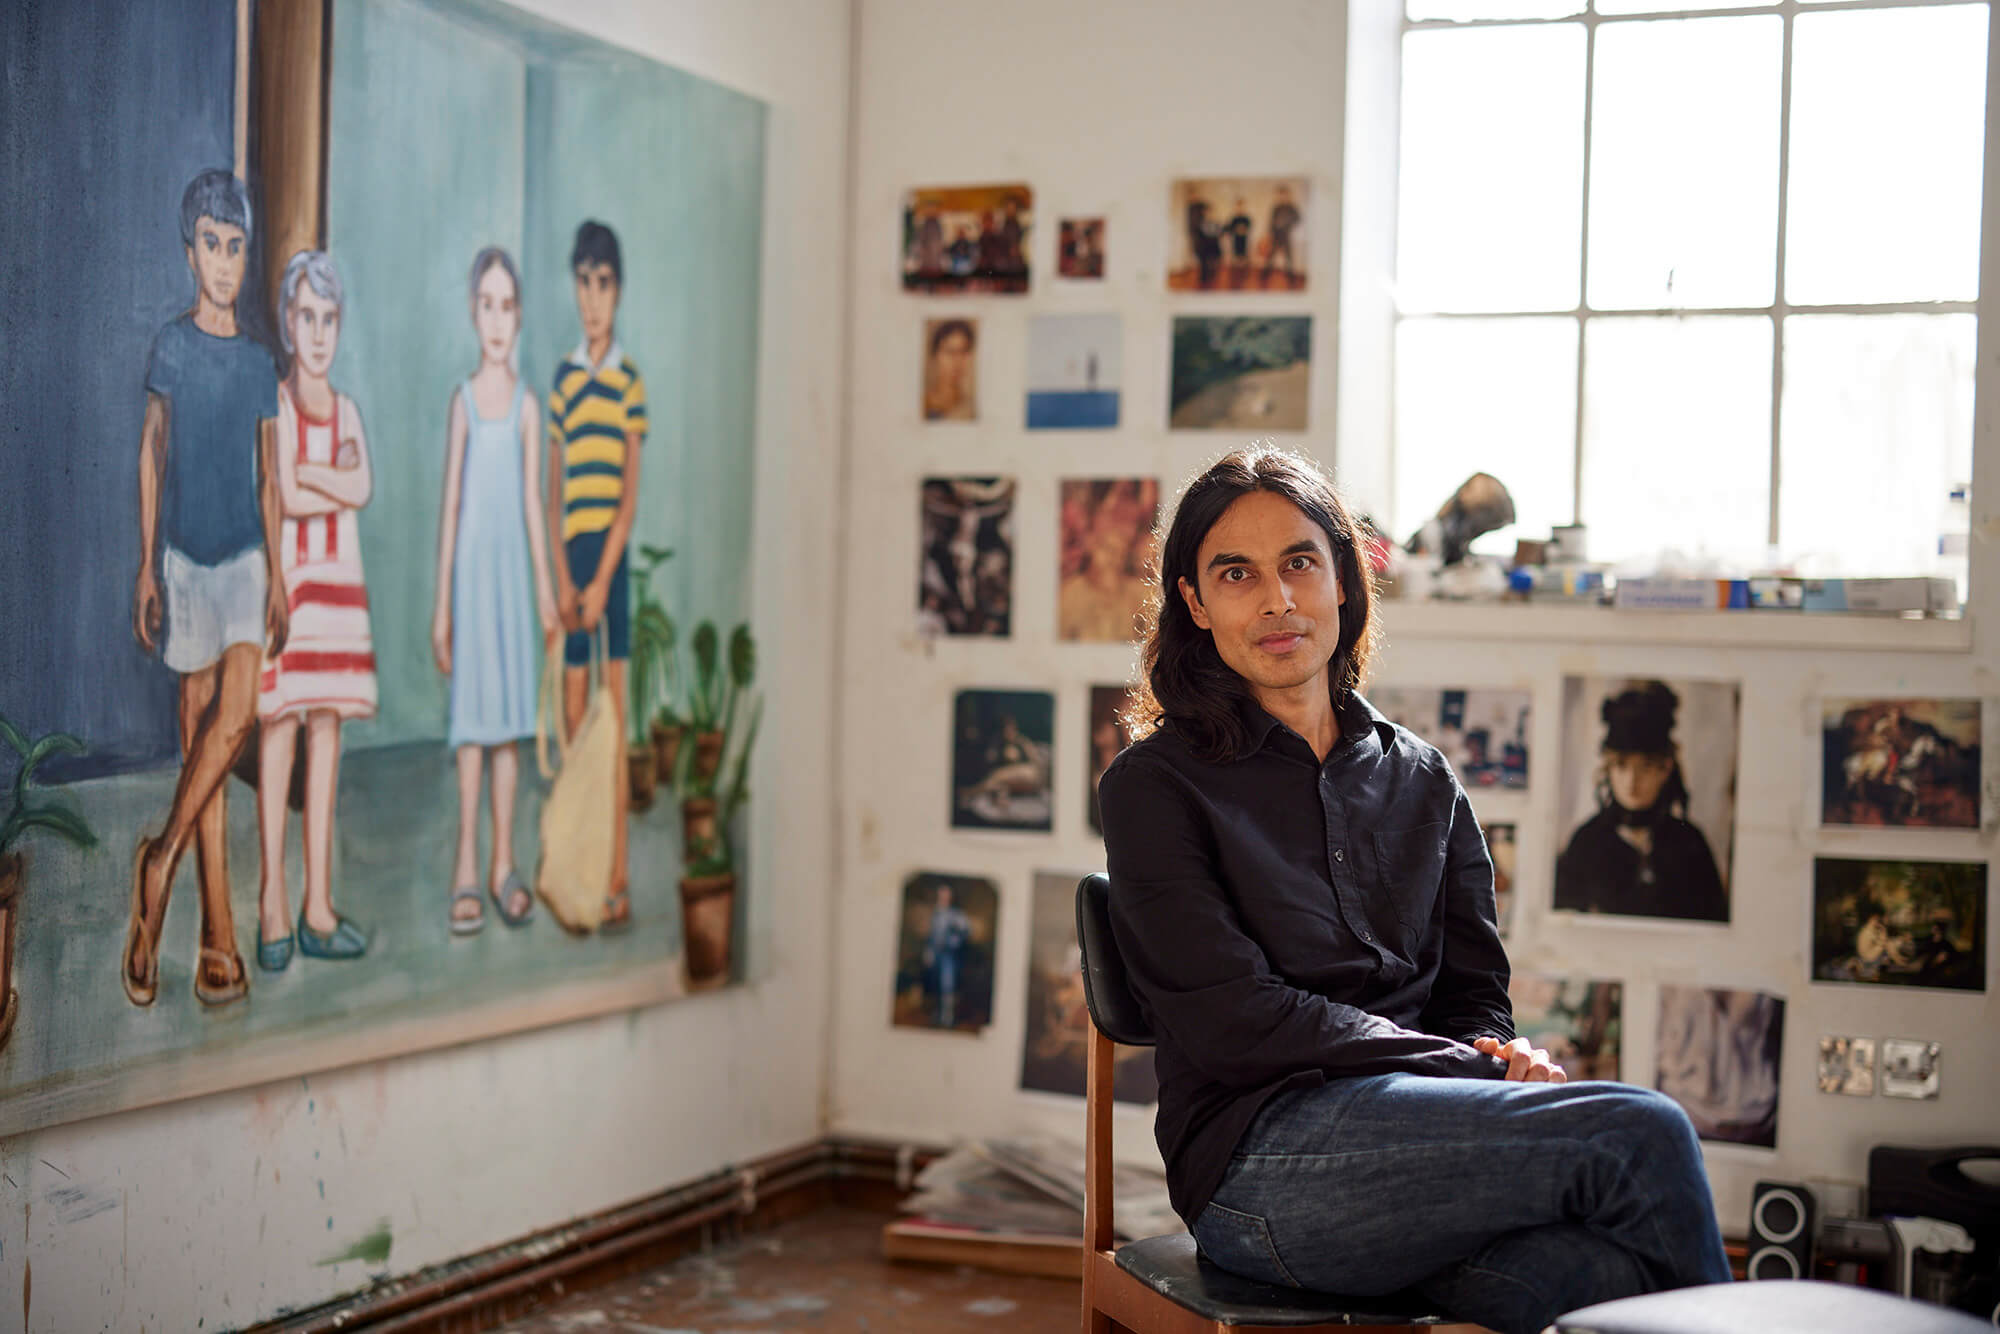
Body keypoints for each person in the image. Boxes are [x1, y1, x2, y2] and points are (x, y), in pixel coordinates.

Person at [1097, 446, 1729, 1334]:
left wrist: (1492, 1056)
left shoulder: (1425, 779)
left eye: (1300, 563)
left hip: (1421, 1147)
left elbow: (1477, 995)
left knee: (1594, 1272)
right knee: (1639, 1132)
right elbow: (1233, 1024)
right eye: (1236, 574)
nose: (1277, 600)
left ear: (1346, 582)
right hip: (1259, 1171)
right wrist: (1460, 1068)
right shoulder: (1154, 787)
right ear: (1196, 604)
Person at [125, 169, 287, 1009]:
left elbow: (271, 478)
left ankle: (159, 865)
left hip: (246, 560)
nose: (224, 263)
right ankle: (215, 936)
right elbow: (153, 451)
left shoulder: (261, 362)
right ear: (190, 252)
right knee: (204, 747)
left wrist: (283, 575)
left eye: (236, 248)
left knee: (235, 722)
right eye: (212, 246)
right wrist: (147, 563)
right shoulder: (170, 348)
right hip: (185, 561)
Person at [253, 249, 377, 970]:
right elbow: (290, 497)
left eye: (330, 318)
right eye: (307, 317)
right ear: (288, 323)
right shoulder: (279, 402)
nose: (320, 332)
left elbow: (359, 490)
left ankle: (317, 905)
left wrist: (312, 471)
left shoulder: (349, 409)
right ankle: (272, 900)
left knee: (327, 735)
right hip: (296, 593)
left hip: (341, 594)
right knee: (281, 730)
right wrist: (322, 476)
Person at [433, 247, 559, 935]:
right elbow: (451, 504)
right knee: (473, 734)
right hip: (472, 586)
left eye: (508, 305)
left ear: (520, 315)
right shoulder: (463, 403)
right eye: (487, 303)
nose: (498, 318)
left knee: (508, 729)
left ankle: (504, 862)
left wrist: (543, 590)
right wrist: (442, 605)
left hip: (512, 583)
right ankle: (464, 866)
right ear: (471, 312)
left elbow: (535, 504)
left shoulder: (527, 407)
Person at [548, 220, 648, 932]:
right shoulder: (562, 381)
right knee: (574, 721)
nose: (592, 299)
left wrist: (600, 581)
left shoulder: (628, 383)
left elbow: (626, 502)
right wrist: (562, 579)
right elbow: (556, 496)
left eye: (603, 284)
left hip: (610, 574)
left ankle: (616, 880)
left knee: (614, 731)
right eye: (583, 283)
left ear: (618, 290)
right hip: (572, 568)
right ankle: (575, 873)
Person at [1553, 681, 1727, 922]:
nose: (1631, 781)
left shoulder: (1691, 844)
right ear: (1608, 769)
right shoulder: (1586, 843)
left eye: (1645, 767)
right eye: (1621, 766)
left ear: (1665, 769)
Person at [921, 883, 971, 1028]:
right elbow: (930, 935)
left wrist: (953, 942)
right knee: (935, 984)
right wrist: (928, 952)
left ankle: (947, 1017)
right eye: (941, 894)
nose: (943, 897)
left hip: (948, 955)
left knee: (947, 985)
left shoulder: (956, 914)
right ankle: (937, 1014)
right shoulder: (935, 913)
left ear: (951, 896)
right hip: (935, 953)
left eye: (946, 894)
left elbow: (965, 931)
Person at [921, 319, 976, 421]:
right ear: (935, 356)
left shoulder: (972, 409)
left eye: (963, 352)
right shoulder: (921, 405)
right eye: (950, 352)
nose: (958, 361)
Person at [1262, 184, 1302, 287]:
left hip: (1286, 235)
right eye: (1280, 195)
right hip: (1275, 236)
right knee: (1270, 257)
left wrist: (1286, 223)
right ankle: (1265, 275)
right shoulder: (1276, 207)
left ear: (1288, 195)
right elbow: (1271, 222)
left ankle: (1291, 278)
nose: (1282, 197)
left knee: (1289, 257)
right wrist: (1269, 233)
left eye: (1284, 195)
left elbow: (1297, 219)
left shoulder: (1291, 207)